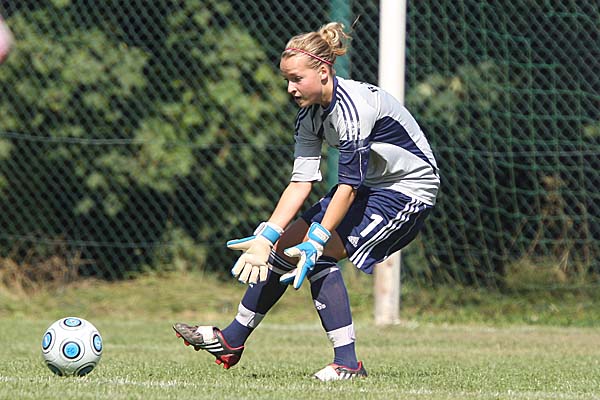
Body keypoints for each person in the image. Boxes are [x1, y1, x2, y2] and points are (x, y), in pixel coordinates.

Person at [174, 21, 440, 381]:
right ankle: (231, 341)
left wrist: (317, 238)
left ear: (324, 72)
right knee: (284, 248)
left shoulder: (353, 109)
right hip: (371, 186)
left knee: (317, 253)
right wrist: (267, 236)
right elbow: (300, 183)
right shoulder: (310, 116)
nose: (290, 88)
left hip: (406, 190)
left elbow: (348, 186)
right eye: (287, 80)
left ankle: (347, 364)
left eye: (297, 79)